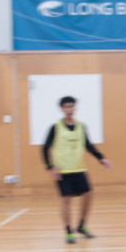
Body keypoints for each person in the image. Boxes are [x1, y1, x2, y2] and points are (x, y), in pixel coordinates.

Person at [42, 95, 113, 243]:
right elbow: (45, 148)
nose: (71, 109)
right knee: (66, 199)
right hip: (62, 171)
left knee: (88, 195)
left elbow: (88, 145)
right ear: (62, 109)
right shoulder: (55, 127)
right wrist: (50, 167)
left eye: (73, 106)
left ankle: (81, 225)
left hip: (78, 169)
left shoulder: (81, 126)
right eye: (67, 106)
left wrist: (101, 158)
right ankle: (68, 231)